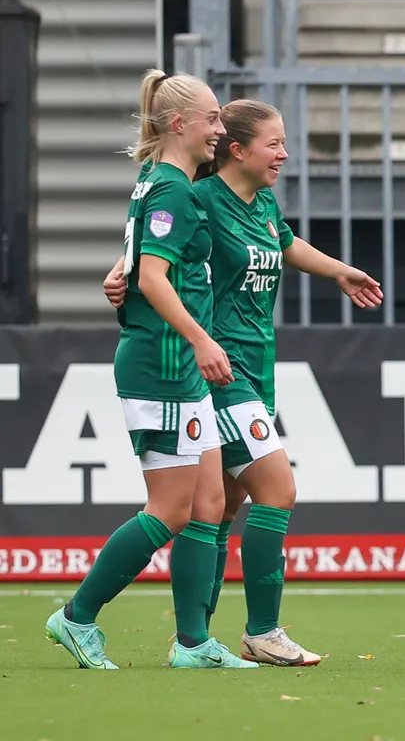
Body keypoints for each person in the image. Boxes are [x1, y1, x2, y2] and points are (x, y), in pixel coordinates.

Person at [104, 99, 384, 667]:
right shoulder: (202, 196)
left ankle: (194, 640)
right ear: (237, 149)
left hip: (258, 367)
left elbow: (284, 242)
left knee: (221, 507)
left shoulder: (261, 201)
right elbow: (156, 243)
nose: (284, 153)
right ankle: (262, 631)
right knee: (277, 490)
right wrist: (121, 272)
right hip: (219, 369)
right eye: (274, 143)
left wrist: (338, 270)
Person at [47, 69, 257, 670]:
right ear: (178, 124)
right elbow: (152, 277)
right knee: (170, 510)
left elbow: (140, 260)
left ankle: (193, 643)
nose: (221, 128)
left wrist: (122, 268)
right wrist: (199, 339)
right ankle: (77, 616)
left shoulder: (160, 181)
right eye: (213, 118)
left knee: (212, 501)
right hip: (163, 362)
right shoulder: (170, 189)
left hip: (180, 365)